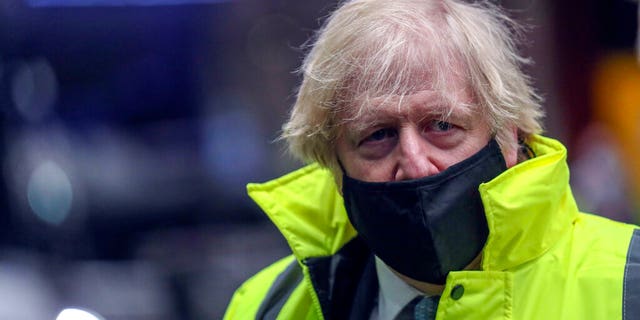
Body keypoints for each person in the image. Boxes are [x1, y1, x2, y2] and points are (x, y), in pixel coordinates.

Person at [224, 0, 640, 319]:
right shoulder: (265, 307)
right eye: (378, 134)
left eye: (442, 126)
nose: (416, 164)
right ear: (334, 168)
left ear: (510, 136)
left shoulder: (629, 287)